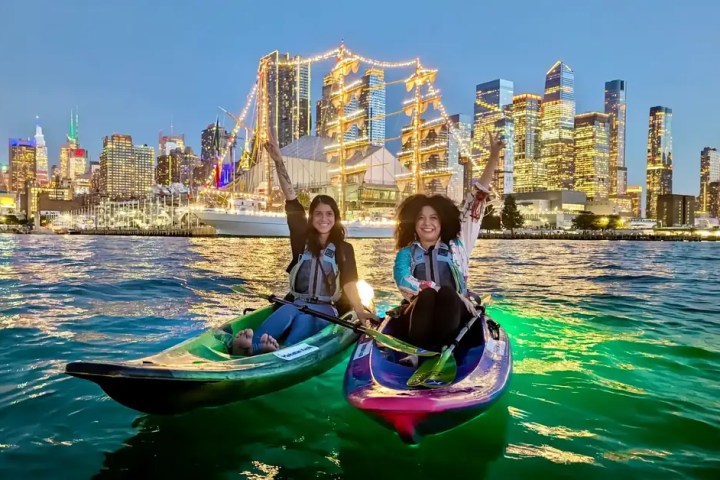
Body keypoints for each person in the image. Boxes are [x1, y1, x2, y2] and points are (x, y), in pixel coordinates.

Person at [229, 133, 378, 356]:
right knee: (285, 315)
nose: (324, 219)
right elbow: (291, 197)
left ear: (335, 218)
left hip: (324, 309)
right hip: (295, 303)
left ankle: (276, 350)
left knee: (302, 326)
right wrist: (279, 162)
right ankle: (251, 346)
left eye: (329, 214)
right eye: (318, 214)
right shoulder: (301, 239)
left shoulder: (344, 249)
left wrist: (359, 310)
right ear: (311, 217)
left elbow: (348, 284)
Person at [392, 131, 504, 366]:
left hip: (456, 313)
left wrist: (493, 157)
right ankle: (416, 353)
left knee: (446, 294)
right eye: (421, 218)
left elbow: (478, 198)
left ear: (442, 221)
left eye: (434, 218)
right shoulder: (406, 253)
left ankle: (446, 351)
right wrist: (428, 288)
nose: (427, 223)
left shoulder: (458, 244)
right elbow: (402, 278)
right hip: (419, 313)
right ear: (413, 223)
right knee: (430, 294)